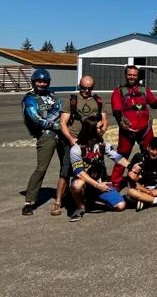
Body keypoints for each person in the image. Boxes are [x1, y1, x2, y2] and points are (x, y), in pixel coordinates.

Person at [56, 75, 107, 216]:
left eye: (89, 88)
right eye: (83, 88)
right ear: (79, 86)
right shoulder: (71, 101)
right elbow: (62, 123)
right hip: (73, 141)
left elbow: (104, 120)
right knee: (66, 171)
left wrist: (101, 133)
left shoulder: (98, 101)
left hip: (91, 142)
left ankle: (89, 196)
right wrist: (71, 139)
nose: (85, 91)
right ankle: (58, 202)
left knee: (94, 167)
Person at [68, 116, 130, 222]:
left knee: (121, 206)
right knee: (76, 185)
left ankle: (93, 199)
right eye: (99, 127)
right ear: (91, 129)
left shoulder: (102, 144)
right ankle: (80, 206)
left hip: (100, 183)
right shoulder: (76, 149)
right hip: (87, 184)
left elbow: (117, 157)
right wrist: (97, 185)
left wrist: (131, 166)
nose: (103, 129)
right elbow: (79, 173)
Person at [21, 69, 64, 216]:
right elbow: (35, 118)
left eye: (45, 81)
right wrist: (56, 125)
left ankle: (63, 195)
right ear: (33, 82)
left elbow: (61, 109)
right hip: (46, 136)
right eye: (39, 81)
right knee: (41, 168)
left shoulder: (53, 96)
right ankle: (29, 202)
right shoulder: (29, 98)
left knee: (66, 167)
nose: (42, 83)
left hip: (62, 134)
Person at [110, 65, 157, 190]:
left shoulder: (144, 90)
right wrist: (121, 123)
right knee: (122, 156)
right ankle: (115, 183)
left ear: (138, 76)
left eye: (134, 75)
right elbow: (116, 110)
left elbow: (154, 104)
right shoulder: (119, 91)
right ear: (126, 75)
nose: (132, 77)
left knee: (150, 154)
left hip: (145, 130)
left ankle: (149, 178)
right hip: (127, 131)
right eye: (129, 74)